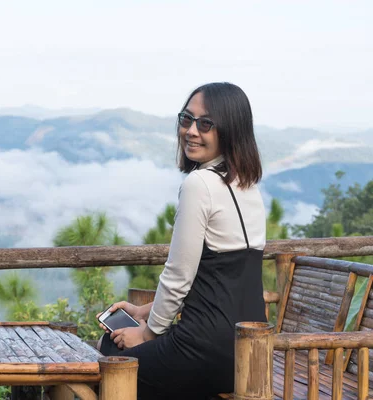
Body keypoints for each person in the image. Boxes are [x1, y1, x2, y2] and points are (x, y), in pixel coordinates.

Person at [97, 82, 267, 399]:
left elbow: (179, 274)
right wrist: (145, 311)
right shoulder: (246, 184)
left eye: (205, 124)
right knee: (124, 341)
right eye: (186, 119)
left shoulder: (199, 183)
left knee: (112, 351)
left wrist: (148, 333)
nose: (190, 131)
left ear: (229, 130)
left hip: (204, 350)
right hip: (248, 352)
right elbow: (219, 279)